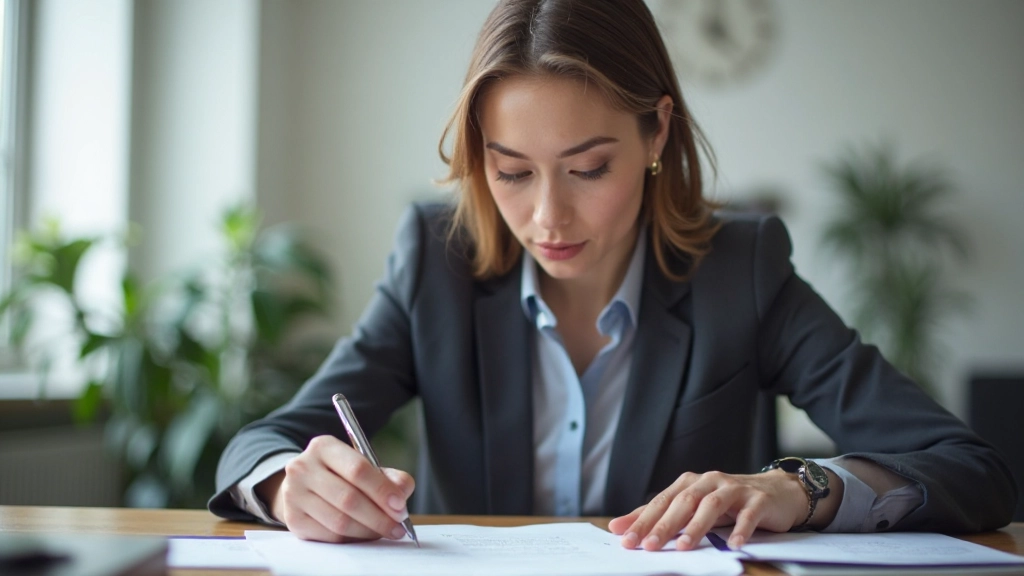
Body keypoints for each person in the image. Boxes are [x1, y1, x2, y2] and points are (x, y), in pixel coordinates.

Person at [209, 0, 1016, 551]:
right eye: (511, 172)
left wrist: (802, 487)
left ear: (656, 132)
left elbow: (971, 468)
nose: (547, 219)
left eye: (589, 169)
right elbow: (261, 444)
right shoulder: (435, 261)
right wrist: (286, 485)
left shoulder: (741, 271)